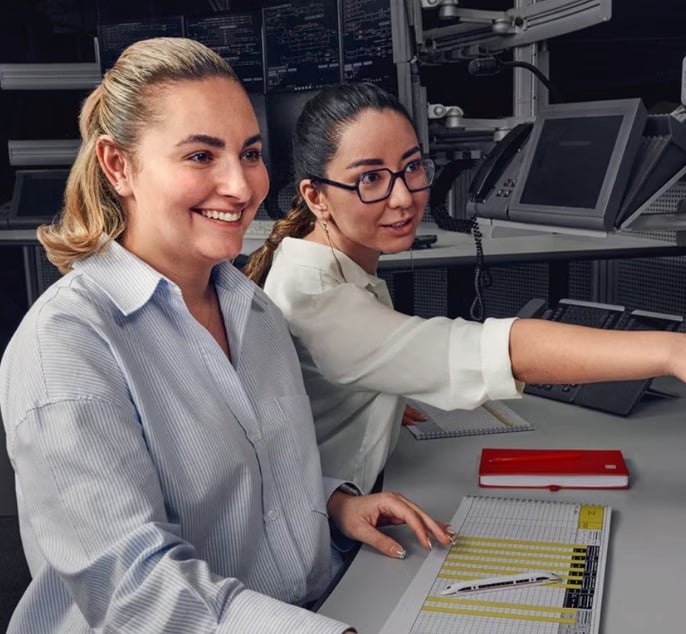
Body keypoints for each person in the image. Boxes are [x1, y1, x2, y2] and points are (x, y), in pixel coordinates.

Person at [0, 38, 451, 634]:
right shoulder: (66, 345)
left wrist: (335, 504)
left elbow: (247, 472)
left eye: (251, 152)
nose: (240, 187)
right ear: (118, 166)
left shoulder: (251, 309)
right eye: (199, 156)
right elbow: (134, 591)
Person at [243, 83, 686, 493]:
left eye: (412, 168)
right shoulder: (315, 297)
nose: (404, 197)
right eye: (371, 178)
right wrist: (678, 351)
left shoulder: (324, 263)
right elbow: (483, 346)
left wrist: (375, 393)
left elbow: (361, 359)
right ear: (315, 196)